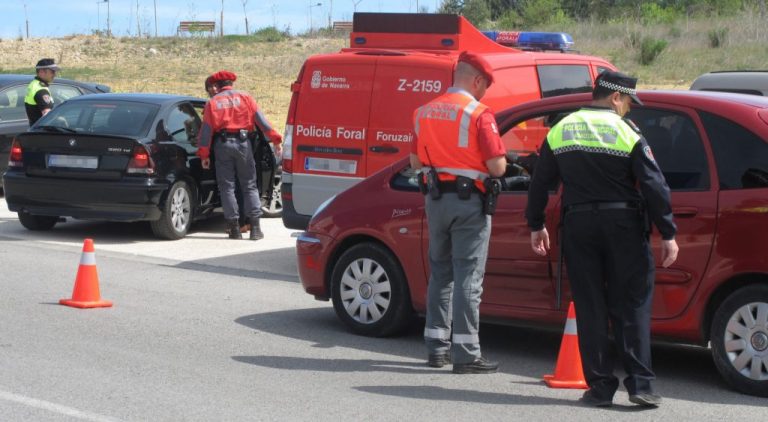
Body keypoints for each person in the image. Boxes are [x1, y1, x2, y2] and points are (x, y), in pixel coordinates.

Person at [525, 70, 679, 408]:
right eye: (627, 102)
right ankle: (640, 386)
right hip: (623, 224)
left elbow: (540, 182)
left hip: (578, 226)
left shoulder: (562, 128)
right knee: (633, 304)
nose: (628, 109)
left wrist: (536, 224)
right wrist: (667, 231)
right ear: (614, 97)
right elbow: (654, 184)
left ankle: (599, 388)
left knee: (591, 306)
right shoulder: (627, 131)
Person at [410, 51, 507, 374]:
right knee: (468, 276)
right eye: (485, 86)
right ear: (477, 80)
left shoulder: (423, 112)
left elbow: (414, 163)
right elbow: (497, 166)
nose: (485, 93)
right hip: (469, 205)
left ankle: (437, 349)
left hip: (435, 201)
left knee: (440, 273)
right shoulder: (479, 114)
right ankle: (466, 353)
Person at [197, 70, 283, 240]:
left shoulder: (213, 103)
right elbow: (262, 122)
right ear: (231, 83)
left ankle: (234, 229)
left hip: (222, 145)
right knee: (249, 185)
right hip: (244, 144)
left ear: (217, 86)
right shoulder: (246, 98)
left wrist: (204, 155)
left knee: (227, 187)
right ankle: (255, 229)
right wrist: (276, 140)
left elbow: (205, 132)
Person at [25, 58, 59, 125]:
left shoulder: (33, 84)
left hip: (35, 129)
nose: (55, 75)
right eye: (52, 72)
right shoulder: (41, 90)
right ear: (41, 72)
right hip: (43, 132)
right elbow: (47, 116)